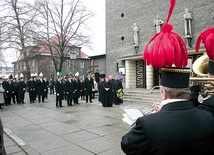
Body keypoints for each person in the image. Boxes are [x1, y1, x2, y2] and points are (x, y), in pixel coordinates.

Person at [121, 67, 214, 154]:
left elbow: (127, 144)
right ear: (189, 92)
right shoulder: (208, 117)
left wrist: (149, 117)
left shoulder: (147, 123)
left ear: (164, 94)